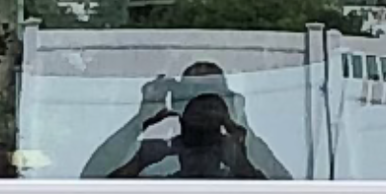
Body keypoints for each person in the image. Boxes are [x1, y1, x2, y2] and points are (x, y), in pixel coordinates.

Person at [80, 60, 291, 179]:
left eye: (212, 97)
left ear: (226, 105)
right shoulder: (156, 160)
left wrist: (241, 132)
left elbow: (286, 193)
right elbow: (90, 183)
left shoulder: (240, 152)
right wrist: (141, 119)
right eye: (194, 94)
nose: (203, 106)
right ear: (178, 103)